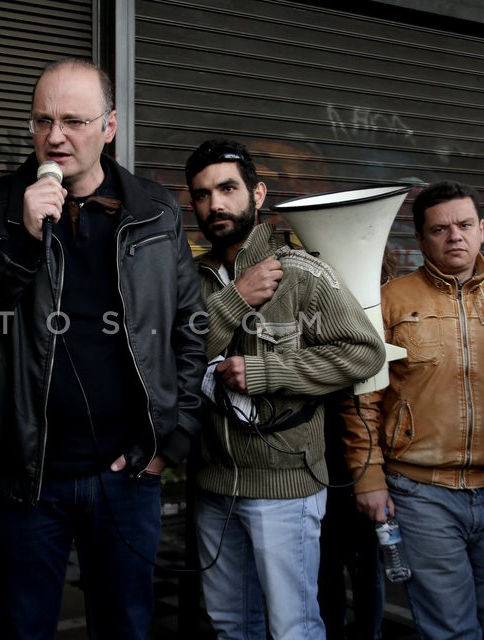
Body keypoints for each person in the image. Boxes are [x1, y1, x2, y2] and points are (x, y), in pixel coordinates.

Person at [0, 58, 208, 638]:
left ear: (109, 126)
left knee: (125, 626)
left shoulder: (154, 210)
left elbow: (189, 326)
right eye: (42, 121)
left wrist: (171, 437)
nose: (54, 137)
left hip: (127, 475)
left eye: (74, 121)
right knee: (19, 628)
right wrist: (21, 243)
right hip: (25, 478)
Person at [184, 139, 385, 640]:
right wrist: (234, 299)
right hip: (213, 485)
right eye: (203, 195)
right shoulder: (189, 278)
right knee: (231, 624)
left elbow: (364, 352)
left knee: (293, 627)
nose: (216, 205)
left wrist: (267, 373)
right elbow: (169, 358)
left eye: (228, 189)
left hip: (285, 486)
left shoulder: (302, 271)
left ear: (258, 194)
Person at [342, 180, 484, 639]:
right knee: (450, 630)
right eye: (440, 229)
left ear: (482, 229)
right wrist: (369, 477)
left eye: (464, 225)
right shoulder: (388, 301)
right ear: (419, 240)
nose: (455, 236)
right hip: (423, 493)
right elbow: (362, 398)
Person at [317, 249, 398, 640]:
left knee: (364, 566)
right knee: (328, 565)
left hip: (363, 460)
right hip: (324, 457)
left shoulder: (387, 305)